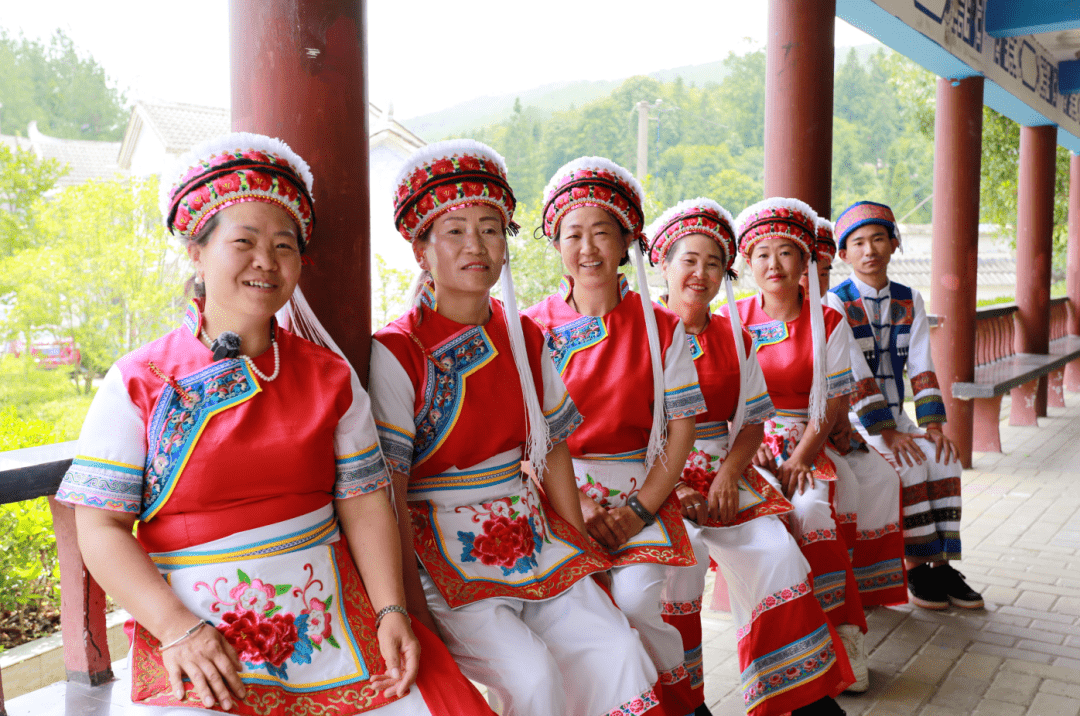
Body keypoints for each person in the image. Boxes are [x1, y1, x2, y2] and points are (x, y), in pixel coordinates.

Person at [55, 132, 492, 715]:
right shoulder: (140, 380)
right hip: (197, 624)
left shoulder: (329, 375)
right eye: (244, 241)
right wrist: (177, 628)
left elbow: (365, 502)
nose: (266, 260)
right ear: (197, 252)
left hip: (332, 609)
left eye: (284, 246)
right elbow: (100, 527)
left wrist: (390, 610)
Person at [369, 139, 661, 716]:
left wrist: (578, 545)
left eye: (491, 230)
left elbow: (554, 448)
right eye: (455, 231)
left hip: (533, 534)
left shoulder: (524, 335)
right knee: (532, 677)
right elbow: (390, 492)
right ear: (421, 249)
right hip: (443, 553)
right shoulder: (397, 352)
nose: (476, 246)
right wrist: (408, 606)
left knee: (618, 648)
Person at [648, 198, 853, 716]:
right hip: (653, 476)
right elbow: (624, 433)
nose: (701, 274)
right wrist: (676, 486)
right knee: (682, 564)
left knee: (778, 552)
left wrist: (728, 474)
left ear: (726, 272)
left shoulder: (735, 336)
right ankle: (683, 701)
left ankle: (797, 691)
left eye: (714, 263)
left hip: (723, 468)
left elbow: (753, 420)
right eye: (689, 260)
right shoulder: (640, 333)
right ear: (663, 265)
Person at [524, 157, 709, 716]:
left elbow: (681, 429)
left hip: (641, 486)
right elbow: (522, 436)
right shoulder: (529, 328)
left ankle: (677, 703)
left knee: (632, 601)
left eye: (601, 232)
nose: (587, 248)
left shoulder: (662, 327)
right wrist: (576, 504)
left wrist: (638, 510)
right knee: (573, 615)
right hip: (554, 493)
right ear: (556, 244)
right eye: (573, 234)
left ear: (627, 240)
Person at [726, 198, 870, 689]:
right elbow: (722, 395)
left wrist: (803, 456)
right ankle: (782, 640)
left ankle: (843, 634)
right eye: (762, 254)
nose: (774, 265)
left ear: (805, 260)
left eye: (785, 252)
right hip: (746, 443)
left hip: (806, 437)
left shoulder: (826, 321)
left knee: (811, 513)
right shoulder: (732, 318)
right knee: (766, 525)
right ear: (747, 262)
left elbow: (832, 400)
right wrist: (747, 443)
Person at [826, 201, 983, 611]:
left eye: (879, 239)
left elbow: (921, 364)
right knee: (910, 465)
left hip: (899, 418)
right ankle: (915, 567)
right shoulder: (835, 302)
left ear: (894, 244)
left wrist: (932, 427)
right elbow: (852, 371)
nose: (870, 250)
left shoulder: (909, 298)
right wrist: (888, 432)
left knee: (946, 460)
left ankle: (942, 565)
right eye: (858, 242)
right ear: (843, 254)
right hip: (857, 422)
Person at [802, 219, 907, 614]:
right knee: (835, 490)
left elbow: (842, 384)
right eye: (810, 270)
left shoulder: (828, 318)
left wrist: (842, 421)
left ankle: (866, 586)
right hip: (778, 432)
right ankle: (823, 594)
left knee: (883, 478)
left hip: (828, 427)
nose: (817, 280)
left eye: (825, 272)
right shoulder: (750, 318)